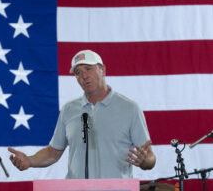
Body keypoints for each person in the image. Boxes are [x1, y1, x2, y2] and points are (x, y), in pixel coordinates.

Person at [8, 49, 156, 179]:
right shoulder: (69, 109)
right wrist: (29, 160)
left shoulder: (129, 108)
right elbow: (53, 153)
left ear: (102, 70)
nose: (84, 76)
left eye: (88, 69)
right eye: (78, 73)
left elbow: (149, 156)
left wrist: (145, 161)